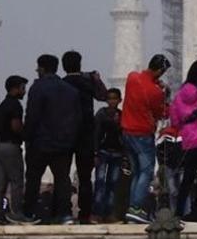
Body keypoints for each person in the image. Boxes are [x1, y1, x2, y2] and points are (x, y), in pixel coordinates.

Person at [23, 54, 81, 224]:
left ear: (41, 68)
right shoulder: (70, 90)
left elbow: (32, 116)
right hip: (63, 144)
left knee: (33, 179)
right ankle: (64, 214)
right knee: (63, 180)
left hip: (40, 143)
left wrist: (28, 137)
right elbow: (78, 118)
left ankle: (29, 213)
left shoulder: (38, 87)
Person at [121, 54, 170, 224]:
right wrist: (164, 93)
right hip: (142, 134)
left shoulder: (131, 77)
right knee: (147, 172)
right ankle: (136, 208)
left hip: (126, 131)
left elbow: (143, 85)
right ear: (159, 71)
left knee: (137, 172)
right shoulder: (155, 92)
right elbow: (162, 113)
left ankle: (133, 209)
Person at [61, 50, 108, 224]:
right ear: (80, 64)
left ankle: (64, 212)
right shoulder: (87, 83)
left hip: (65, 135)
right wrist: (96, 79)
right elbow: (103, 96)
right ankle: (85, 214)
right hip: (86, 135)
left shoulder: (62, 84)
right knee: (85, 178)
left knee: (63, 176)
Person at [170, 61, 197, 218]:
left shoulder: (179, 95)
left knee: (188, 178)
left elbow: (174, 121)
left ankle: (179, 211)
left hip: (188, 139)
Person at [0, 75, 31, 223]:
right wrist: (27, 134)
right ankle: (17, 213)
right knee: (16, 181)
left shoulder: (2, 105)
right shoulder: (15, 105)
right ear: (15, 89)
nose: (24, 91)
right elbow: (16, 126)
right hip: (10, 147)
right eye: (22, 88)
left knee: (0, 184)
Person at [92, 88, 124, 223]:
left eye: (114, 99)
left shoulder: (122, 115)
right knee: (100, 183)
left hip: (117, 153)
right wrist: (95, 152)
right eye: (110, 99)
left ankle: (109, 213)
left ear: (119, 100)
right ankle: (97, 213)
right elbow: (96, 134)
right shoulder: (101, 114)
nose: (112, 101)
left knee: (112, 184)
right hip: (103, 152)